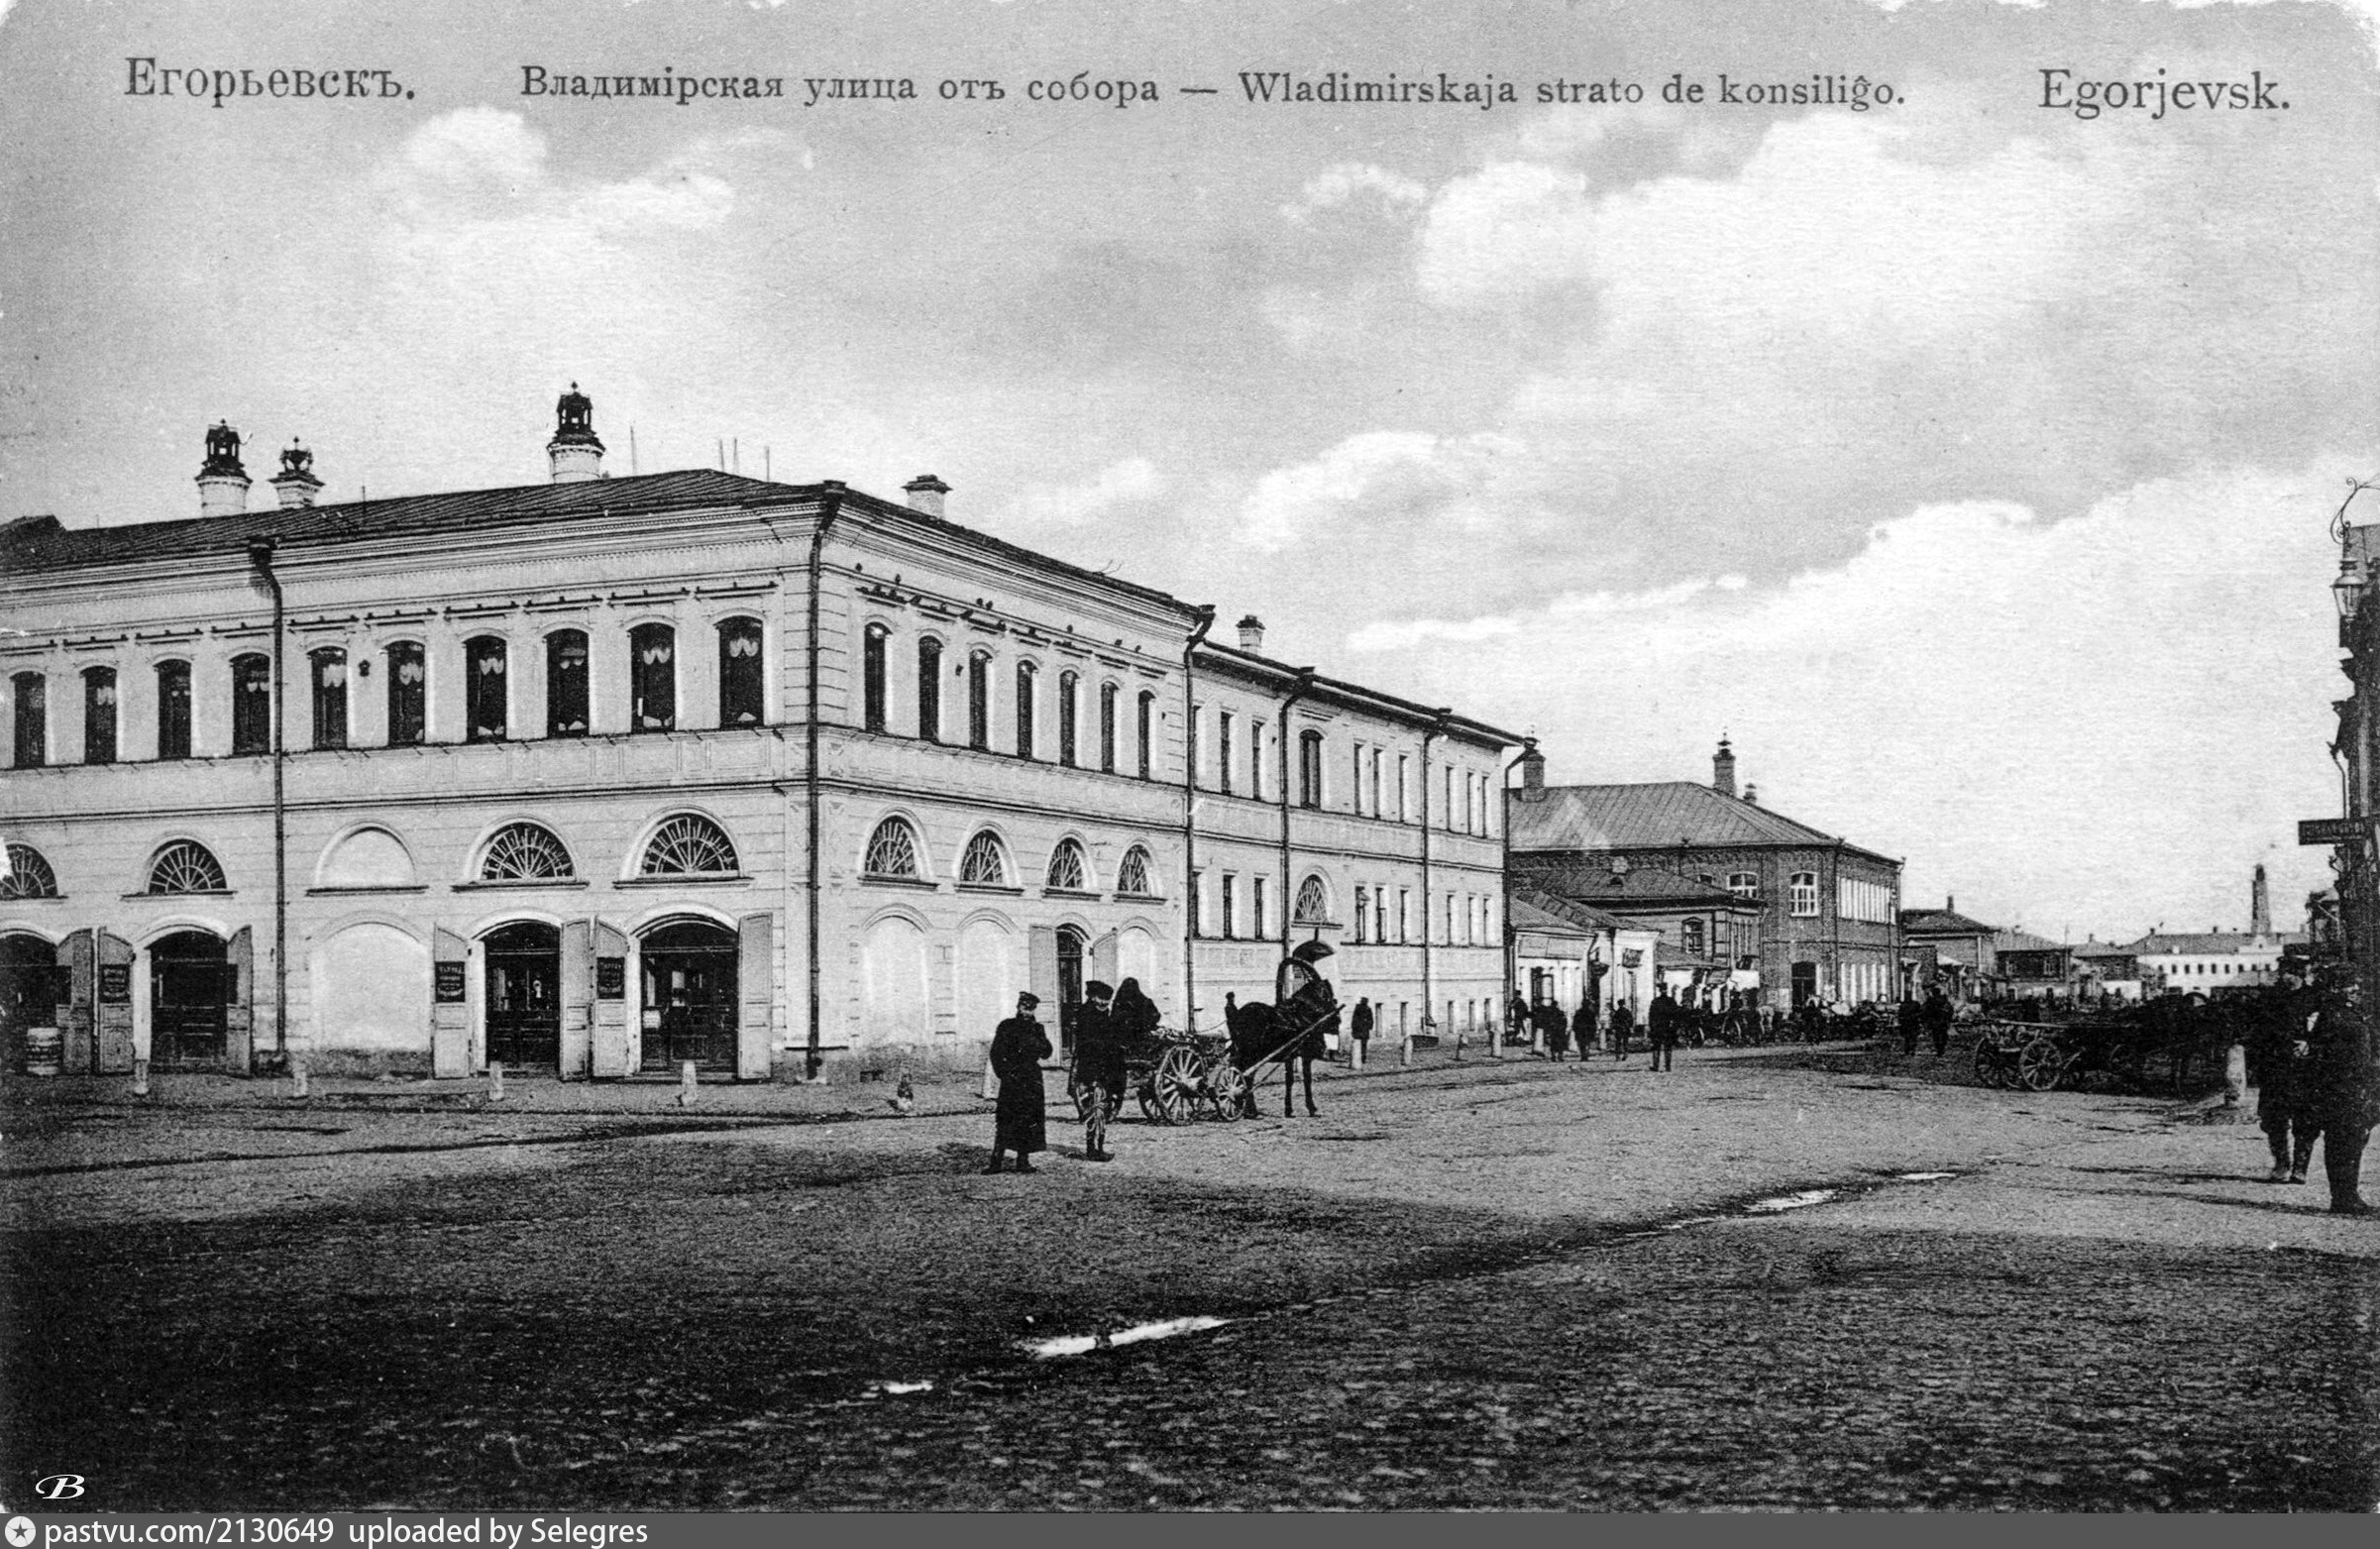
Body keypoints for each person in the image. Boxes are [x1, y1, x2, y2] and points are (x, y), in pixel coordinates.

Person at [2299, 981, 2376, 1213]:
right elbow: (2330, 1054)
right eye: (2350, 988)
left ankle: (2346, 1195)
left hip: (2353, 1087)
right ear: (2335, 989)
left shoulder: (2349, 1013)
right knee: (2343, 1141)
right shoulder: (2334, 1016)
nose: (2356, 992)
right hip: (2341, 1089)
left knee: (2351, 1140)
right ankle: (2344, 1198)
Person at [2254, 976, 2317, 1183]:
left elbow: (2325, 1032)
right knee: (2273, 1119)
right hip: (2274, 1069)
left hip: (2305, 1070)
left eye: (2294, 970)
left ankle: (2300, 1168)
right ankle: (2282, 1163)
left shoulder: (2315, 998)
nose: (2289, 975)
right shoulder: (2269, 998)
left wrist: (2310, 1045)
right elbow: (2258, 1032)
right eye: (2285, 969)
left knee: (2306, 1120)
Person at [985, 992, 1052, 1174]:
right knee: (1006, 1120)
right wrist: (1004, 1074)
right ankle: (996, 1162)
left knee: (1029, 1120)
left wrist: (1041, 1040)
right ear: (1018, 1007)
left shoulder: (1037, 1028)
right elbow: (996, 1053)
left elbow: (1047, 1053)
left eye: (1031, 1009)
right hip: (1012, 1079)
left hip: (1031, 1079)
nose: (1027, 1012)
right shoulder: (1007, 1026)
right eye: (1025, 1007)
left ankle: (1023, 1161)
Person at [1275, 940, 1338, 1117]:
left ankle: (1291, 1105)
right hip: (1299, 1027)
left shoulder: (1313, 986)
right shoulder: (1314, 987)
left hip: (1297, 1015)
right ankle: (1305, 1105)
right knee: (1306, 1069)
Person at [1072, 980, 1124, 1162]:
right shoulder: (1087, 1017)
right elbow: (1086, 1048)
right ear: (1092, 997)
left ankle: (1097, 1147)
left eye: (1107, 999)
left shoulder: (1103, 1016)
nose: (1105, 1003)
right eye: (1101, 999)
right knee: (1095, 1110)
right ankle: (1093, 1149)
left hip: (1104, 1071)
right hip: (1092, 1071)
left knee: (1101, 1109)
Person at [1648, 986, 1678, 1072]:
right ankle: (1668, 1067)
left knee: (1656, 1047)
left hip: (1658, 1027)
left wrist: (1651, 1027)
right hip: (1668, 1028)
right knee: (1668, 1047)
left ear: (1660, 991)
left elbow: (1651, 1016)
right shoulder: (1671, 1001)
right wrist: (1675, 1027)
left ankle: (1656, 1066)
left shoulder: (1655, 1001)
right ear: (1666, 990)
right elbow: (1676, 1015)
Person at [1923, 986, 1955, 1057]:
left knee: (1936, 1035)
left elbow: (1925, 1011)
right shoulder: (1944, 1000)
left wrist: (1927, 1020)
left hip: (1935, 1021)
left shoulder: (1930, 1001)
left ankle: (1938, 1048)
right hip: (1943, 1020)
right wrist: (1949, 1018)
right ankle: (1942, 1047)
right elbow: (1950, 1010)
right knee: (1943, 1034)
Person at [1609, 998, 1635, 1062]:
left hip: (1619, 1029)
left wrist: (1614, 1028)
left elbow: (1614, 1021)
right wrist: (1630, 1027)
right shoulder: (1627, 1011)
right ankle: (1625, 1054)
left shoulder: (1617, 1012)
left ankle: (1618, 1056)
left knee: (1618, 1042)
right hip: (1626, 1028)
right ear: (1624, 1004)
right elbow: (1631, 1020)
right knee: (1625, 1042)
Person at [1350, 996, 1374, 1065]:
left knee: (1360, 1044)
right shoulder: (1364, 1008)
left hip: (1361, 1029)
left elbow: (1370, 1019)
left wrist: (1353, 1028)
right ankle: (1362, 1058)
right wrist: (1369, 1026)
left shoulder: (1365, 1008)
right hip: (1361, 1029)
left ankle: (1361, 1057)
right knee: (1362, 1044)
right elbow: (1370, 1019)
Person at [1897, 993, 1923, 1057]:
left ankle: (1909, 1050)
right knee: (1912, 1037)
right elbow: (1920, 1012)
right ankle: (1911, 1050)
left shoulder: (1903, 1005)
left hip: (1908, 1023)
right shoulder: (1915, 1004)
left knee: (1908, 1037)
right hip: (1912, 1022)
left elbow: (1900, 1014)